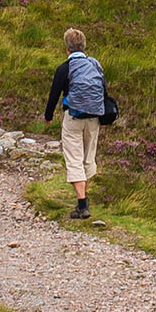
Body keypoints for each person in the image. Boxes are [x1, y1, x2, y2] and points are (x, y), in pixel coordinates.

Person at [44, 28, 108, 219]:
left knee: (74, 158)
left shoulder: (65, 68)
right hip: (94, 118)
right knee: (88, 158)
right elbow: (103, 91)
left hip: (73, 118)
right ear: (84, 46)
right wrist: (102, 117)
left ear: (67, 48)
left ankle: (82, 204)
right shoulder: (95, 65)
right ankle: (84, 200)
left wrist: (48, 116)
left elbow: (54, 95)